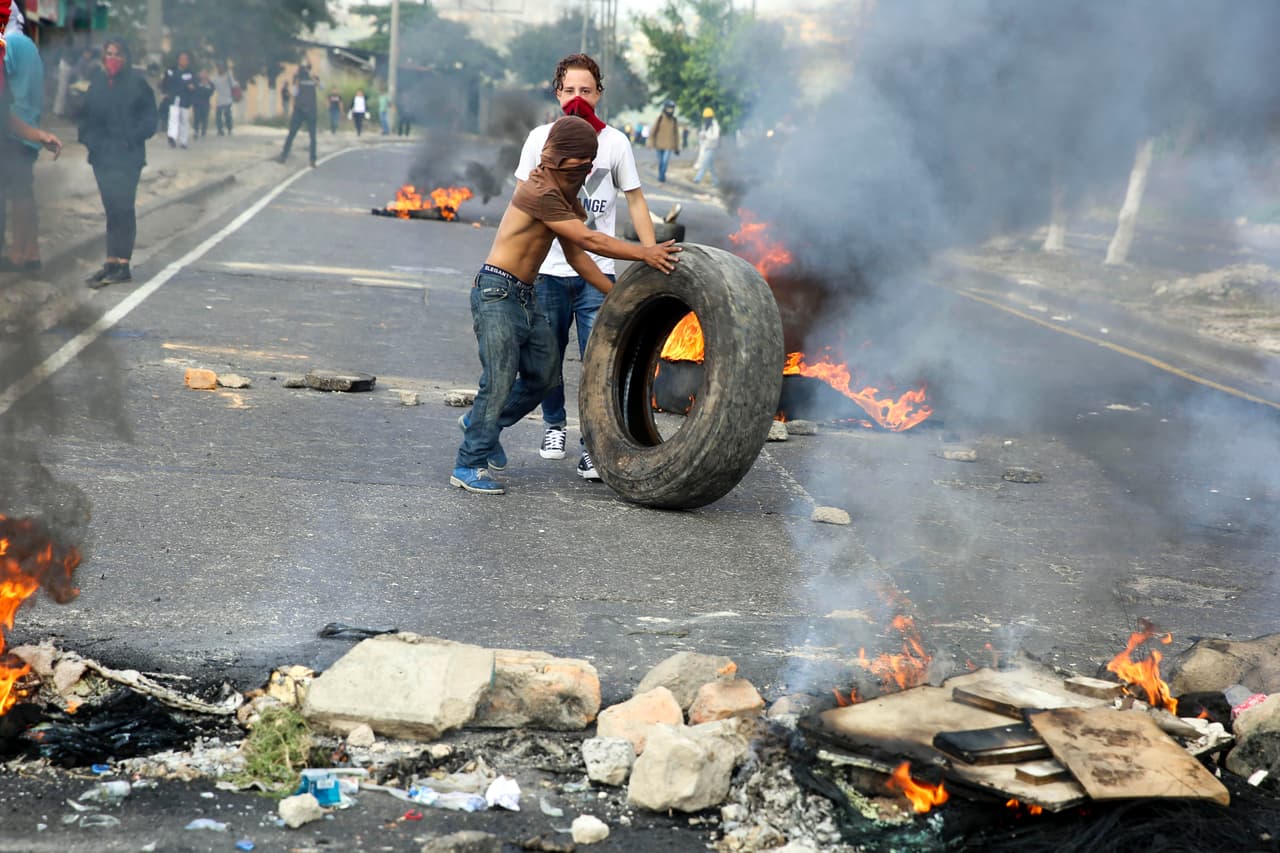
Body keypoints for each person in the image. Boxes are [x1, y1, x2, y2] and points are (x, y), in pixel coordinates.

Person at [452, 116, 680, 495]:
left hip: (525, 296)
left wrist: (615, 295)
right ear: (552, 160)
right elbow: (590, 239)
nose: (568, 173)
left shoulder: (567, 197)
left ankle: (480, 422)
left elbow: (577, 258)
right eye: (562, 166)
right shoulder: (538, 190)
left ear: (587, 167)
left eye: (577, 169)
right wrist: (646, 253)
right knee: (499, 379)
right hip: (496, 293)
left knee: (543, 375)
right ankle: (468, 463)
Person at [515, 53, 658, 481]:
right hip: (547, 272)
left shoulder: (615, 143)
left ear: (599, 93)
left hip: (596, 272)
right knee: (548, 359)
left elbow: (635, 200)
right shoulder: (539, 139)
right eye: (570, 90)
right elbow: (524, 202)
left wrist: (651, 256)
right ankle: (554, 426)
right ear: (557, 93)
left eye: (587, 90)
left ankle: (592, 444)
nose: (579, 97)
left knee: (601, 360)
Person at [77, 37, 156, 287]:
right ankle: (111, 261)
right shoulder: (98, 83)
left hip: (127, 157)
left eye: (118, 54)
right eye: (109, 53)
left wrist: (128, 139)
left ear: (126, 57)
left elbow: (150, 121)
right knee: (111, 208)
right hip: (102, 156)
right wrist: (90, 141)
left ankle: (123, 262)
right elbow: (85, 118)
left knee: (124, 207)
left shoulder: (138, 84)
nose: (113, 59)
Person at [0, 7, 47, 272]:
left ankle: (19, 254)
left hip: (12, 129)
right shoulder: (29, 44)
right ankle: (31, 252)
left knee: (15, 195)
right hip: (29, 127)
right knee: (23, 193)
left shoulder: (11, 44)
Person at [276, 60, 319, 167]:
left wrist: (314, 79)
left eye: (306, 68)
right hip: (299, 110)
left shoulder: (314, 78)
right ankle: (284, 155)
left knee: (312, 136)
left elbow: (321, 86)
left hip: (310, 110)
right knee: (292, 134)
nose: (304, 71)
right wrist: (295, 84)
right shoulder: (297, 79)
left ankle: (312, 159)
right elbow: (294, 93)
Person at [162, 51, 196, 148]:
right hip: (174, 98)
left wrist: (192, 87)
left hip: (185, 100)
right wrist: (165, 93)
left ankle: (183, 141)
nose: (184, 61)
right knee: (174, 117)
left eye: (186, 59)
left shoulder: (190, 73)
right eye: (182, 59)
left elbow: (194, 84)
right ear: (178, 60)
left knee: (184, 120)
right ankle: (172, 137)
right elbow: (165, 82)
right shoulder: (172, 71)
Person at [649, 99, 680, 183]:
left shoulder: (674, 120)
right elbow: (653, 131)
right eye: (669, 108)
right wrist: (650, 143)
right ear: (665, 108)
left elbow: (676, 134)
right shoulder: (660, 118)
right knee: (660, 162)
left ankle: (662, 177)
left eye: (672, 108)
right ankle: (661, 175)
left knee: (665, 162)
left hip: (669, 146)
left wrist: (677, 147)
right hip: (659, 145)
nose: (670, 110)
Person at [693, 107, 720, 186]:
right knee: (711, 167)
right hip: (705, 147)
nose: (706, 119)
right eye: (705, 118)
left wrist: (706, 136)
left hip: (712, 148)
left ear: (711, 117)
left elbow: (715, 136)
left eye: (708, 118)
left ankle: (697, 178)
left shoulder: (715, 126)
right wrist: (700, 133)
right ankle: (716, 181)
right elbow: (702, 135)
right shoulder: (705, 125)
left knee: (704, 164)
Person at [213, 62, 237, 136]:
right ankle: (220, 130)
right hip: (219, 99)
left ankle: (229, 128)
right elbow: (213, 86)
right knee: (218, 116)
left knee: (227, 115)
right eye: (218, 68)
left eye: (221, 67)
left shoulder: (228, 76)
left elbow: (234, 84)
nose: (219, 69)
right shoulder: (216, 78)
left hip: (227, 99)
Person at [191, 69, 214, 139]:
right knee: (196, 117)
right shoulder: (196, 82)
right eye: (202, 73)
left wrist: (204, 88)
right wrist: (202, 88)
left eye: (205, 73)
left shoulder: (210, 83)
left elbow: (210, 92)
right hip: (197, 103)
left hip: (205, 103)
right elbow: (195, 90)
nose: (204, 75)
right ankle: (196, 131)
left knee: (204, 118)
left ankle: (203, 131)